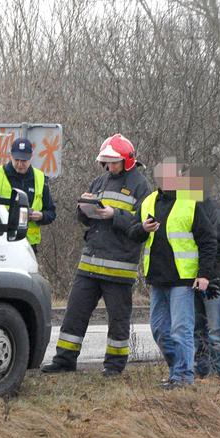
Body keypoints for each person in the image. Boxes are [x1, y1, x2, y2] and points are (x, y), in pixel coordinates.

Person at [41, 134, 151, 377]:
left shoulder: (140, 186)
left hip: (118, 267)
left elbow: (142, 225)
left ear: (127, 161)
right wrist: (84, 208)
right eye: (106, 162)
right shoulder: (99, 181)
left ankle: (114, 366)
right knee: (74, 313)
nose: (109, 166)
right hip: (90, 263)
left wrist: (115, 215)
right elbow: (85, 221)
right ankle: (64, 359)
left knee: (118, 320)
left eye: (113, 162)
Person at [127, 160, 217, 389]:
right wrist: (142, 229)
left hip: (182, 280)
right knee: (159, 330)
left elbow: (208, 240)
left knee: (181, 330)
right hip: (157, 279)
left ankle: (183, 377)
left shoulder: (190, 202)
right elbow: (131, 232)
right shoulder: (148, 201)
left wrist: (204, 274)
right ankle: (178, 370)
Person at [191, 176, 220, 379]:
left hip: (214, 282)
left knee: (216, 332)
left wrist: (204, 267)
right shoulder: (188, 209)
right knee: (198, 332)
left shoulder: (214, 210)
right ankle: (202, 374)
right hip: (194, 280)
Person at [0, 138, 56, 251]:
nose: (20, 164)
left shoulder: (40, 178)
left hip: (28, 247)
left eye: (24, 161)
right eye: (16, 160)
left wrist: (41, 216)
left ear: (31, 158)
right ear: (10, 156)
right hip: (1, 243)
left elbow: (51, 212)